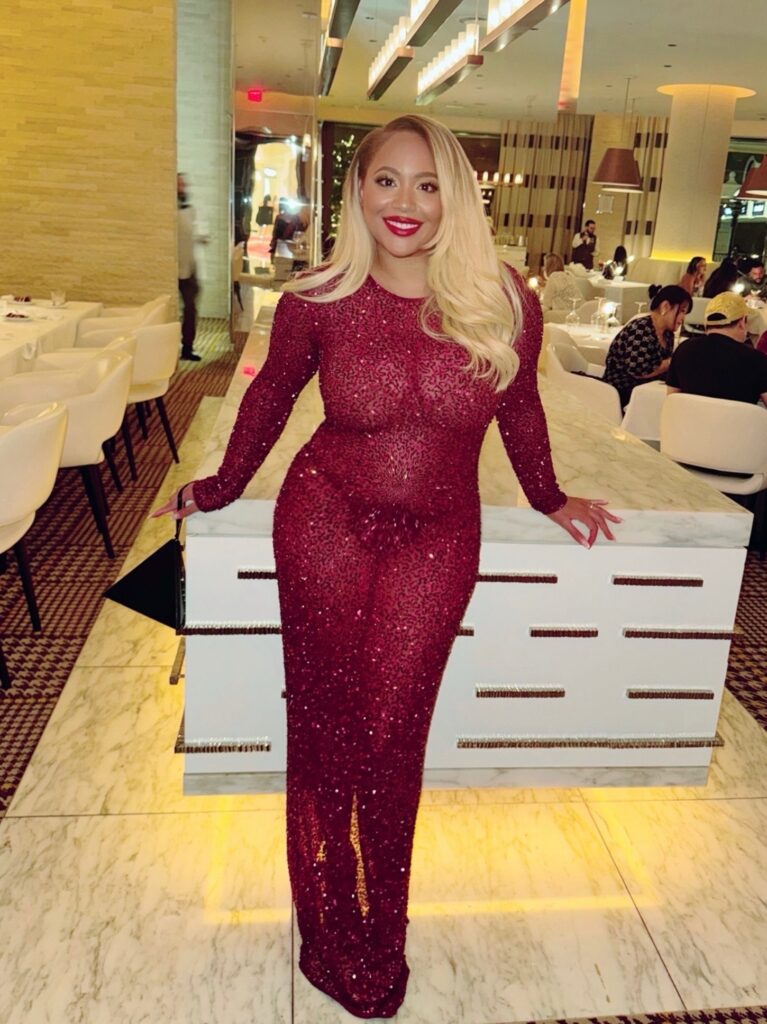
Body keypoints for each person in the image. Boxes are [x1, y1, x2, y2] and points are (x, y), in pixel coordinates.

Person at [153, 114, 619, 1020]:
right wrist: (217, 489)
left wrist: (549, 497)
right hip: (323, 517)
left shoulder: (501, 298)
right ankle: (326, 922)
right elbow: (268, 403)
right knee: (327, 725)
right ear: (357, 194)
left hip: (438, 536)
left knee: (393, 732)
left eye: (428, 183)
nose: (405, 203)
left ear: (456, 196)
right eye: (386, 182)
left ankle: (381, 930)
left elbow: (520, 410)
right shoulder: (318, 298)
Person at [667, 292, 767, 405]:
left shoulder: (682, 350)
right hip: (737, 422)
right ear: (742, 323)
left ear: (706, 323)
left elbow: (672, 401)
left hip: (690, 422)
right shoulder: (756, 359)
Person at [602, 284, 691, 407]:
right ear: (665, 306)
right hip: (620, 393)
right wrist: (673, 362)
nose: (683, 318)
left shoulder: (667, 334)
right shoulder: (641, 329)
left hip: (646, 391)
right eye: (682, 311)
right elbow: (638, 370)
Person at [177, 173, 205, 362]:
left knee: (190, 308)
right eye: (180, 184)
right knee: (184, 308)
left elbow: (192, 232)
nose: (183, 187)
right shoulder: (169, 210)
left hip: (189, 265)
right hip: (174, 266)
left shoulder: (189, 209)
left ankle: (187, 347)